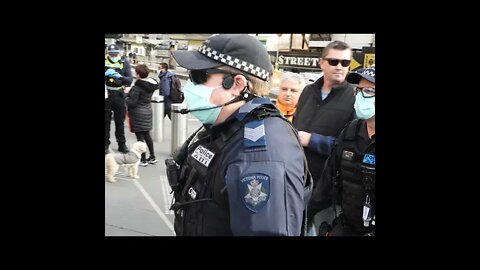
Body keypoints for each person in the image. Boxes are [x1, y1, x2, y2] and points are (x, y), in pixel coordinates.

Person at [167, 34, 309, 236]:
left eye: (198, 76)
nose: (190, 84)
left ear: (236, 84)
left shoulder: (262, 153)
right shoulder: (226, 127)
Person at [308, 65, 376, 236]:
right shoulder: (350, 132)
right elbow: (327, 182)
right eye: (358, 90)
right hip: (346, 226)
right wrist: (306, 214)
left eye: (368, 91)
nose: (360, 97)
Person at [293, 41, 356, 187]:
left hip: (326, 184)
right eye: (334, 61)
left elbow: (349, 150)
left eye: (345, 62)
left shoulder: (354, 100)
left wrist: (312, 140)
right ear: (322, 63)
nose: (339, 67)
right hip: (295, 174)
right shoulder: (308, 91)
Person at [125, 64, 159, 167]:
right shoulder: (151, 85)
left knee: (140, 137)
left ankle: (143, 159)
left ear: (138, 74)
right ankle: (152, 157)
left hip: (137, 113)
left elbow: (132, 102)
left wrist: (126, 96)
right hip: (147, 111)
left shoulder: (137, 87)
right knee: (147, 135)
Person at [105, 44, 133, 154]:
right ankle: (106, 145)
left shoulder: (124, 63)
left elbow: (129, 80)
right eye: (111, 54)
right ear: (107, 53)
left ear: (119, 53)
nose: (113, 56)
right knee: (105, 122)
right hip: (106, 94)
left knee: (120, 122)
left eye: (115, 54)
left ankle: (122, 144)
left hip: (119, 94)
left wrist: (118, 76)